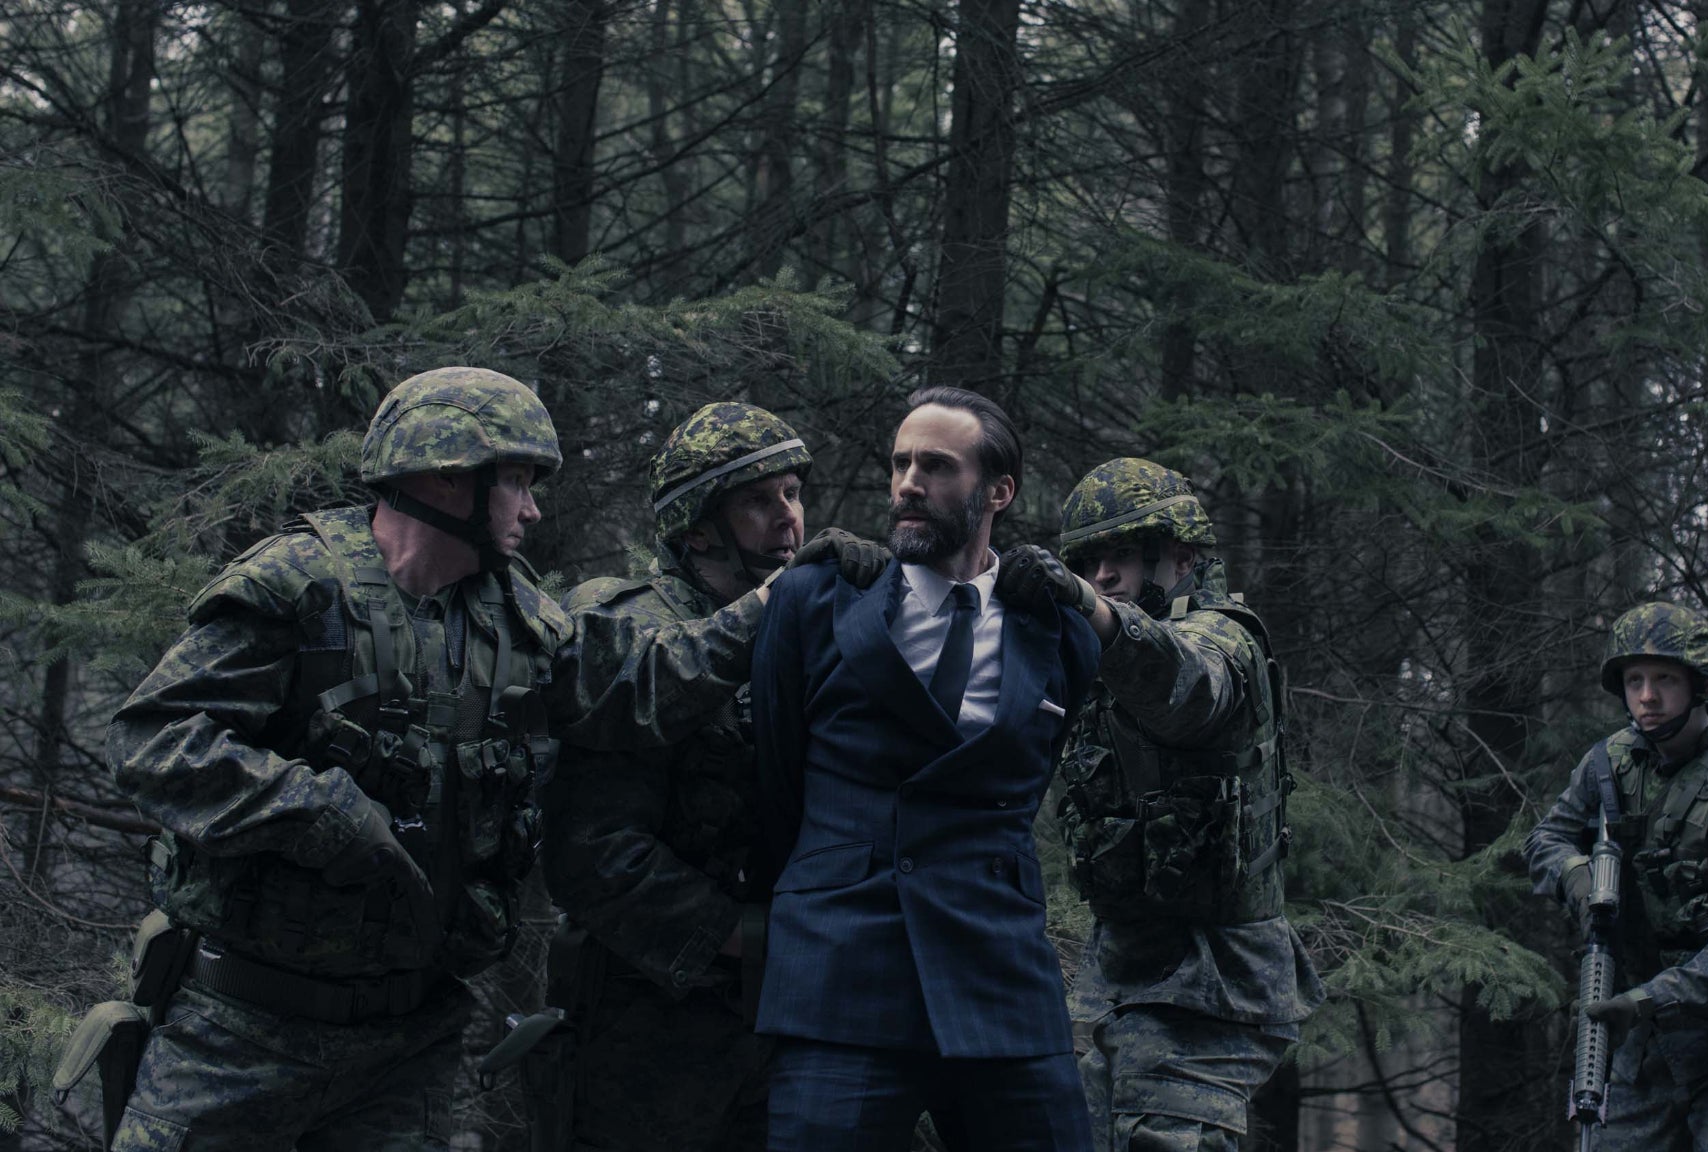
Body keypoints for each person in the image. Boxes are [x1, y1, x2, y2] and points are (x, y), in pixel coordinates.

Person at [105, 368, 773, 1151]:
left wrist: (769, 606)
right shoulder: (299, 584)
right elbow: (154, 737)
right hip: (243, 1033)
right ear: (447, 479)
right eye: (517, 481)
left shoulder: (514, 615)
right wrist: (314, 811)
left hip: (409, 1047)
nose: (532, 507)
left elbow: (633, 686)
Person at [749, 386, 1101, 1151]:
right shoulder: (817, 597)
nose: (909, 483)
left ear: (998, 491)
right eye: (901, 463)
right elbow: (776, 783)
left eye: (937, 466)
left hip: (1000, 974)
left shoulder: (1058, 627)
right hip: (840, 973)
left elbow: (1023, 783)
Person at [541, 401, 883, 1151]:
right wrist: (752, 939)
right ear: (696, 527)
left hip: (792, 1013)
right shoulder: (632, 626)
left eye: (793, 493)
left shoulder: (811, 632)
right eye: (759, 501)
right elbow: (593, 853)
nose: (788, 518)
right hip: (650, 1019)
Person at [996, 457, 1324, 1152]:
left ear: (1180, 554)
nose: (1102, 575)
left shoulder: (1223, 636)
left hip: (1214, 984)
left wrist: (1088, 607)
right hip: (1131, 980)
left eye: (1118, 555)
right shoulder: (1100, 660)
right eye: (1087, 562)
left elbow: (1189, 689)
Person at [1525, 602, 1708, 1150]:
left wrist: (1641, 1004)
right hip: (1645, 1044)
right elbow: (1546, 838)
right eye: (1634, 680)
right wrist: (1579, 878)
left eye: (1663, 678)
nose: (1646, 697)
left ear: (1700, 684)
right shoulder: (1608, 764)